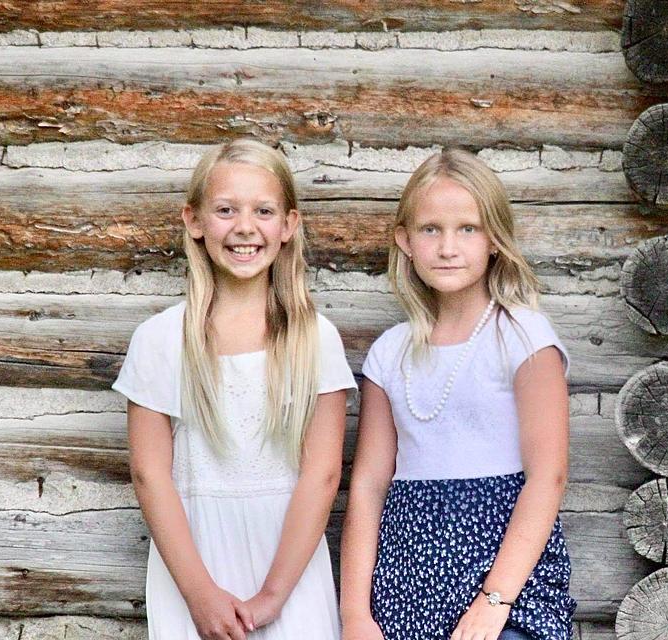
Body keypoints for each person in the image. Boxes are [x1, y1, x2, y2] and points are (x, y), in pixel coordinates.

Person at [112, 139, 356, 640]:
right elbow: (149, 474)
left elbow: (323, 474)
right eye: (226, 210)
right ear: (195, 221)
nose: (245, 227)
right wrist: (200, 594)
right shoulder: (160, 339)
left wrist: (274, 595)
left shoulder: (315, 339)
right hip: (195, 564)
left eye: (263, 211)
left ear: (288, 225)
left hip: (289, 564)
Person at [340, 149, 576, 640]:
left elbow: (547, 477)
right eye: (431, 229)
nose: (448, 247)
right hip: (406, 583)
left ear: (494, 240)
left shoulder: (524, 337)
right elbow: (368, 486)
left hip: (506, 586)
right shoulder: (390, 353)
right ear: (405, 240)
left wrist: (495, 600)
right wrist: (355, 614)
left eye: (467, 229)